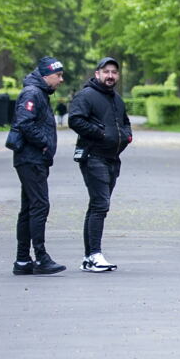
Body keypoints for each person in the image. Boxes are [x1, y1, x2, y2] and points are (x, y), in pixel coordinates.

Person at [67, 57, 132, 272]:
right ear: (97, 74)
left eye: (114, 72)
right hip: (93, 157)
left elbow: (125, 122)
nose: (110, 76)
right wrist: (101, 134)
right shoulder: (86, 95)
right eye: (106, 72)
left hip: (113, 159)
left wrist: (127, 136)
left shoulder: (116, 99)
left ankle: (89, 257)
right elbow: (75, 119)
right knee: (100, 205)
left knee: (97, 206)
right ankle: (94, 255)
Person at [11, 57, 66, 275]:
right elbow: (24, 122)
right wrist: (43, 143)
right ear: (46, 75)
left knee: (29, 208)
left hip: (32, 159)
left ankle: (23, 260)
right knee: (40, 205)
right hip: (30, 159)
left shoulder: (38, 92)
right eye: (58, 75)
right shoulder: (32, 93)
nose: (61, 80)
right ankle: (41, 257)